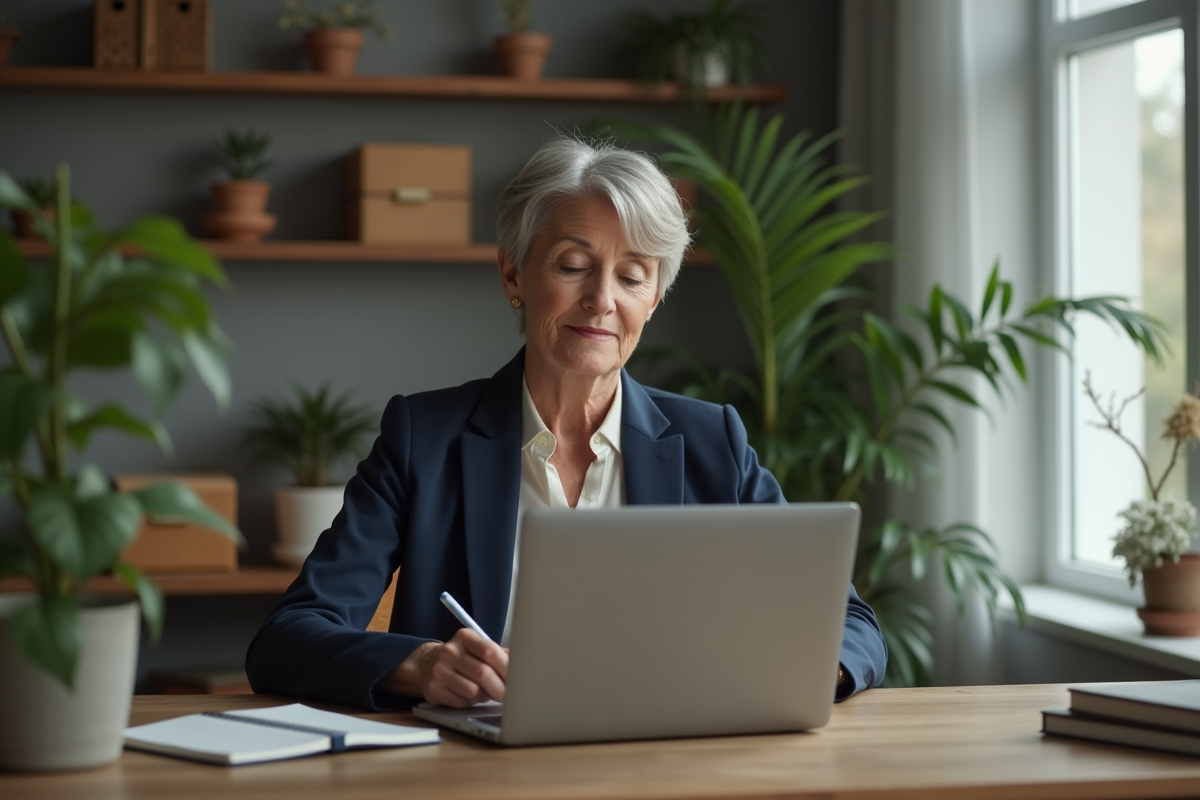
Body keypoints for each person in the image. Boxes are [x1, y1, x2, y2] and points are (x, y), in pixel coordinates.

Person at [244, 136, 887, 710]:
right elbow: (288, 636)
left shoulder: (712, 442)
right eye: (573, 266)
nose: (602, 300)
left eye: (631, 276)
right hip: (479, 772)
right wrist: (421, 665)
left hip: (671, 764)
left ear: (654, 299)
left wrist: (807, 671)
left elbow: (852, 624)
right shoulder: (423, 439)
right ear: (514, 273)